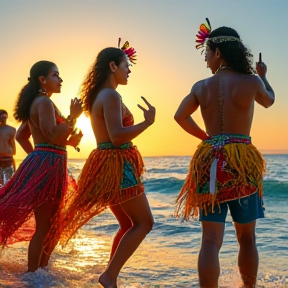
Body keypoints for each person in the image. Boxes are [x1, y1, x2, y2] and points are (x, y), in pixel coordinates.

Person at [174, 19, 275, 288]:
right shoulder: (251, 82)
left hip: (209, 163)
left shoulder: (200, 86)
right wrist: (263, 75)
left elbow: (180, 116)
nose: (206, 59)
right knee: (247, 238)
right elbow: (270, 100)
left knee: (209, 240)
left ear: (218, 52)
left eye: (207, 52)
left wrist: (206, 138)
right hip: (241, 162)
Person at [56, 39, 155, 288]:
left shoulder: (101, 94)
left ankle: (111, 276)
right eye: (126, 65)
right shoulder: (110, 95)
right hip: (116, 166)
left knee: (126, 224)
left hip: (106, 164)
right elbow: (117, 136)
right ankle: (109, 276)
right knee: (144, 223)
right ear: (112, 66)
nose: (129, 70)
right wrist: (147, 123)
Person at [0, 60, 83, 272]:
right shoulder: (43, 103)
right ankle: (33, 275)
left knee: (52, 224)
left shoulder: (41, 102)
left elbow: (22, 136)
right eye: (56, 74)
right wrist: (73, 116)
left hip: (49, 164)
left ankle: (41, 272)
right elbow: (52, 134)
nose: (60, 79)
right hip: (49, 166)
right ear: (42, 79)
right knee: (46, 225)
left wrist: (43, 155)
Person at [0, 110, 16, 186]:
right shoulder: (11, 130)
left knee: (7, 183)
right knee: (9, 184)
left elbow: (13, 148)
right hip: (8, 158)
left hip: (7, 159)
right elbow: (13, 149)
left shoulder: (11, 130)